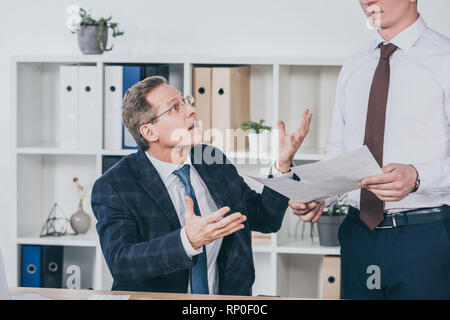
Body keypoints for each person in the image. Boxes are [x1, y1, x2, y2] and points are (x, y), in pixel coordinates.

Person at [91, 76, 312, 295]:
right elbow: (121, 263)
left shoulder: (211, 159)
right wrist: (187, 241)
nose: (191, 110)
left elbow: (265, 218)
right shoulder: (114, 186)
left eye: (185, 100)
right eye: (175, 108)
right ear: (149, 132)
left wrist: (282, 165)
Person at [289, 0, 450, 299]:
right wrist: (319, 193)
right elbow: (339, 149)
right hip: (358, 235)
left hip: (424, 236)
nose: (366, 1)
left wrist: (417, 177)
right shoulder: (355, 64)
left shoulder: (445, 59)